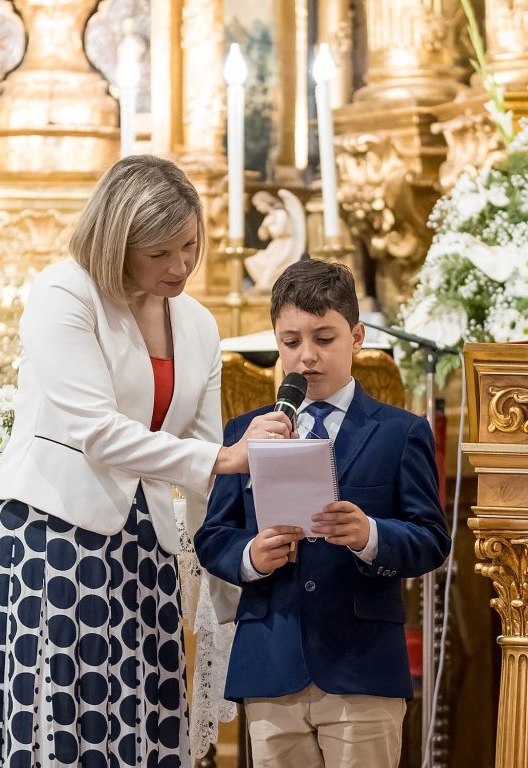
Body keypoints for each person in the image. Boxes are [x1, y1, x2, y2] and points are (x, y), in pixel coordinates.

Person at [0, 155, 293, 768]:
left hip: (143, 542)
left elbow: (204, 460)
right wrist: (223, 458)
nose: (181, 266)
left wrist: (231, 565)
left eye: (190, 246)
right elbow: (100, 433)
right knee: (50, 718)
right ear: (117, 243)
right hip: (47, 533)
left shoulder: (197, 323)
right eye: (160, 253)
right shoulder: (65, 292)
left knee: (142, 712)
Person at [194, 259, 451, 768]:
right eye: (291, 342)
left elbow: (430, 537)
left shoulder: (400, 431)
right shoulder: (246, 432)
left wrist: (370, 534)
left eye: (324, 338)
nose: (306, 357)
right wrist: (250, 556)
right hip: (272, 662)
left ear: (356, 337)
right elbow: (214, 536)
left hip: (362, 667)